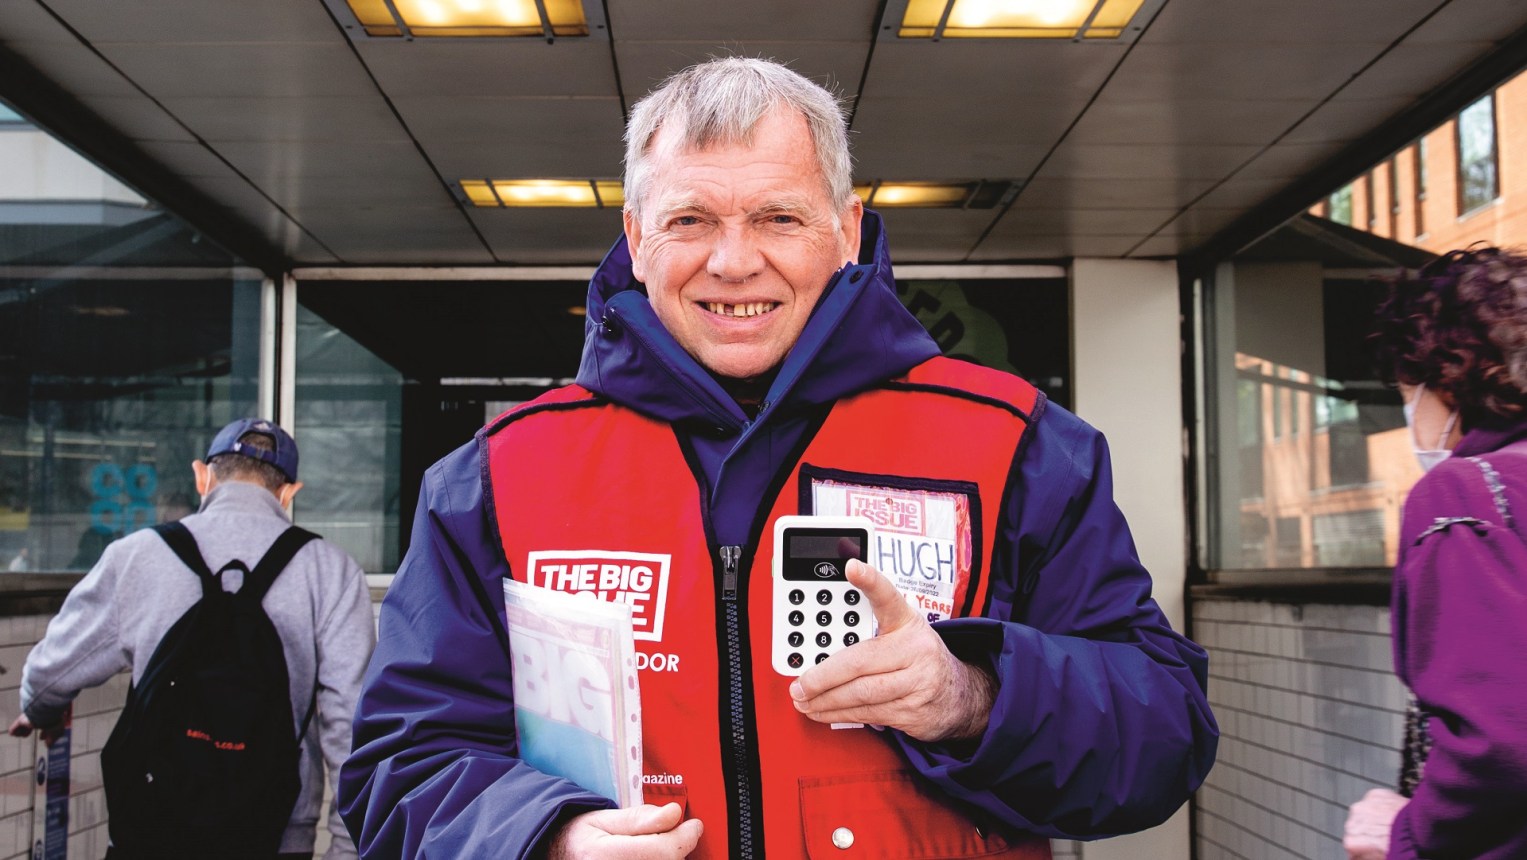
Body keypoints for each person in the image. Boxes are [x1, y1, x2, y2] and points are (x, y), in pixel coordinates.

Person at [338, 57, 1218, 859]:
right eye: (690, 219)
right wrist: (544, 838)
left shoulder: (1013, 445)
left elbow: (1165, 737)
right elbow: (395, 770)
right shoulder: (498, 475)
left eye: (777, 217)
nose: (732, 261)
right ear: (637, 238)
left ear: (843, 228)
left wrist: (973, 698)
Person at [10, 418, 376, 860]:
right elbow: (352, 726)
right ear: (288, 492)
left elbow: (51, 672)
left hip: (149, 827)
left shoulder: (139, 555)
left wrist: (40, 709)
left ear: (203, 475)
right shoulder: (331, 571)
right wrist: (347, 848)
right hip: (273, 834)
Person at [1343, 247, 1527, 859]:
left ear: (1447, 378)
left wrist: (1406, 835)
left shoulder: (1466, 496)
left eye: (1407, 391)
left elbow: (1499, 741)